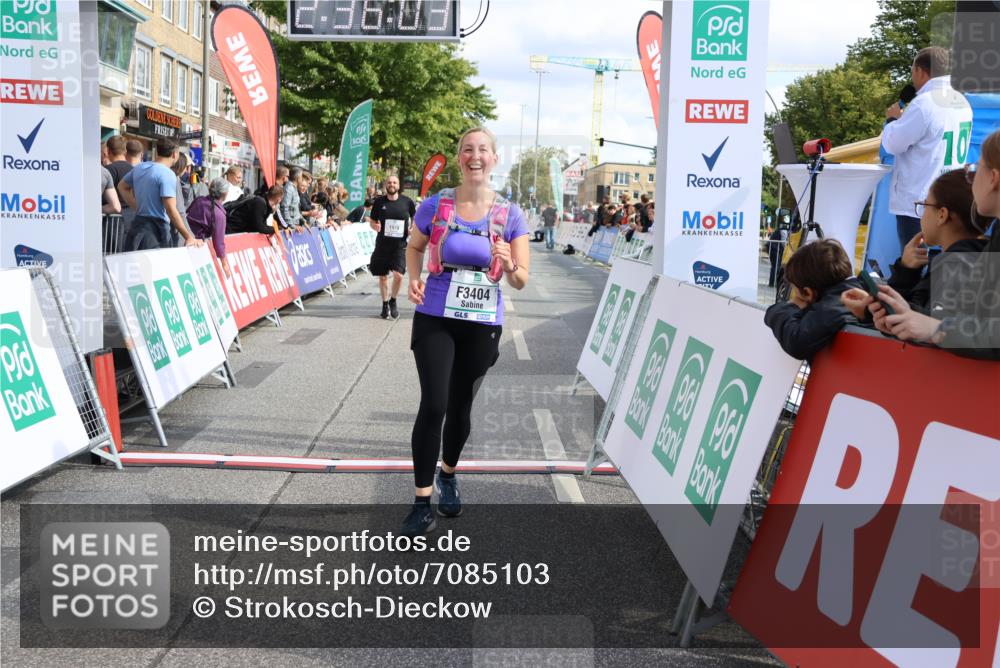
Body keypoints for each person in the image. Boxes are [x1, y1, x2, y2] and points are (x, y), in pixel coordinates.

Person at [402, 127, 531, 536]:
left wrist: (509, 262)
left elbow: (521, 280)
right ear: (459, 158)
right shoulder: (436, 204)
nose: (475, 156)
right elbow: (415, 246)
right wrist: (413, 278)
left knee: (459, 406)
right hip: (437, 314)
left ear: (494, 158)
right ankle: (422, 502)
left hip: (481, 323)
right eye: (467, 150)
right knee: (435, 403)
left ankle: (449, 473)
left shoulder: (510, 214)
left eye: (483, 150)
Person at [866, 129, 1000, 360]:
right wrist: (909, 314)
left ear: (993, 178)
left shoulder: (956, 262)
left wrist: (934, 329)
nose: (971, 177)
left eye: (976, 169)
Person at [842, 169, 985, 318]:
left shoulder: (954, 267)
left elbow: (923, 328)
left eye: (924, 206)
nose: (921, 215)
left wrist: (866, 311)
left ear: (942, 215)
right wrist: (907, 270)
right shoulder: (980, 260)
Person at [881, 46, 973, 253]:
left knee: (916, 264)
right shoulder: (962, 102)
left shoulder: (924, 104)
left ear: (921, 71)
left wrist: (892, 121)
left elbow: (893, 144)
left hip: (919, 204)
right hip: (949, 198)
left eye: (913, 71)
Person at [763, 239, 863, 360]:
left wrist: (790, 306)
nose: (794, 296)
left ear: (808, 293)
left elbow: (796, 341)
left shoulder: (833, 307)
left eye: (795, 292)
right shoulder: (857, 289)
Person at [119, 137, 201, 250]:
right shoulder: (167, 174)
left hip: (137, 226)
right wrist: (188, 237)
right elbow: (171, 209)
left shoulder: (140, 167)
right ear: (175, 154)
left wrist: (137, 206)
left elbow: (122, 186)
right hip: (156, 230)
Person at [368, 175, 417, 319]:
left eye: (394, 182)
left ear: (398, 185)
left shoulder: (407, 202)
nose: (392, 184)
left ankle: (393, 300)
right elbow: (372, 220)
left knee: (399, 275)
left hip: (400, 245)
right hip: (382, 245)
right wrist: (374, 226)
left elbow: (415, 217)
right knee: (383, 277)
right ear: (385, 185)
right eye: (389, 182)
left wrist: (412, 228)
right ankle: (384, 304)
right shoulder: (379, 202)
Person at [187, 177, 231, 275]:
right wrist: (224, 264)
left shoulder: (199, 200)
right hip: (196, 246)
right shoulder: (219, 214)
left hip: (183, 238)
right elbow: (219, 242)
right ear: (224, 193)